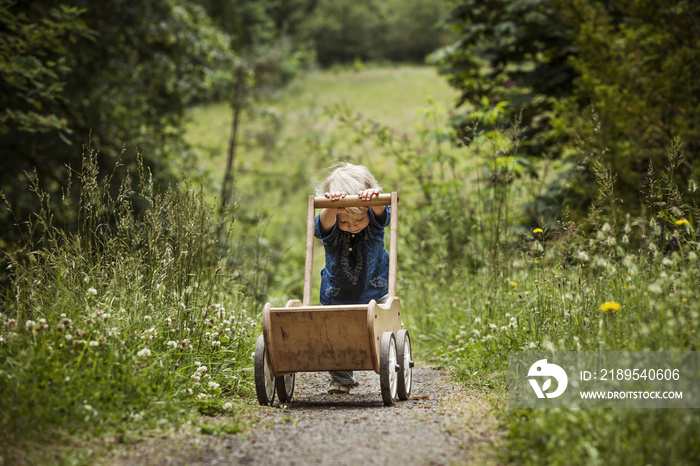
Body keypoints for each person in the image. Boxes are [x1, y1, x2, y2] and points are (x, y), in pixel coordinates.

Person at [315, 163, 391, 394]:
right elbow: (323, 225)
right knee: (336, 337)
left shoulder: (374, 222)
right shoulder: (332, 225)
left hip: (374, 290)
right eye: (345, 221)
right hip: (337, 293)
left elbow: (382, 214)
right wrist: (331, 206)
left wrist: (373, 199)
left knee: (380, 328)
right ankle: (341, 379)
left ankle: (385, 362)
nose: (352, 226)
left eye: (358, 220)